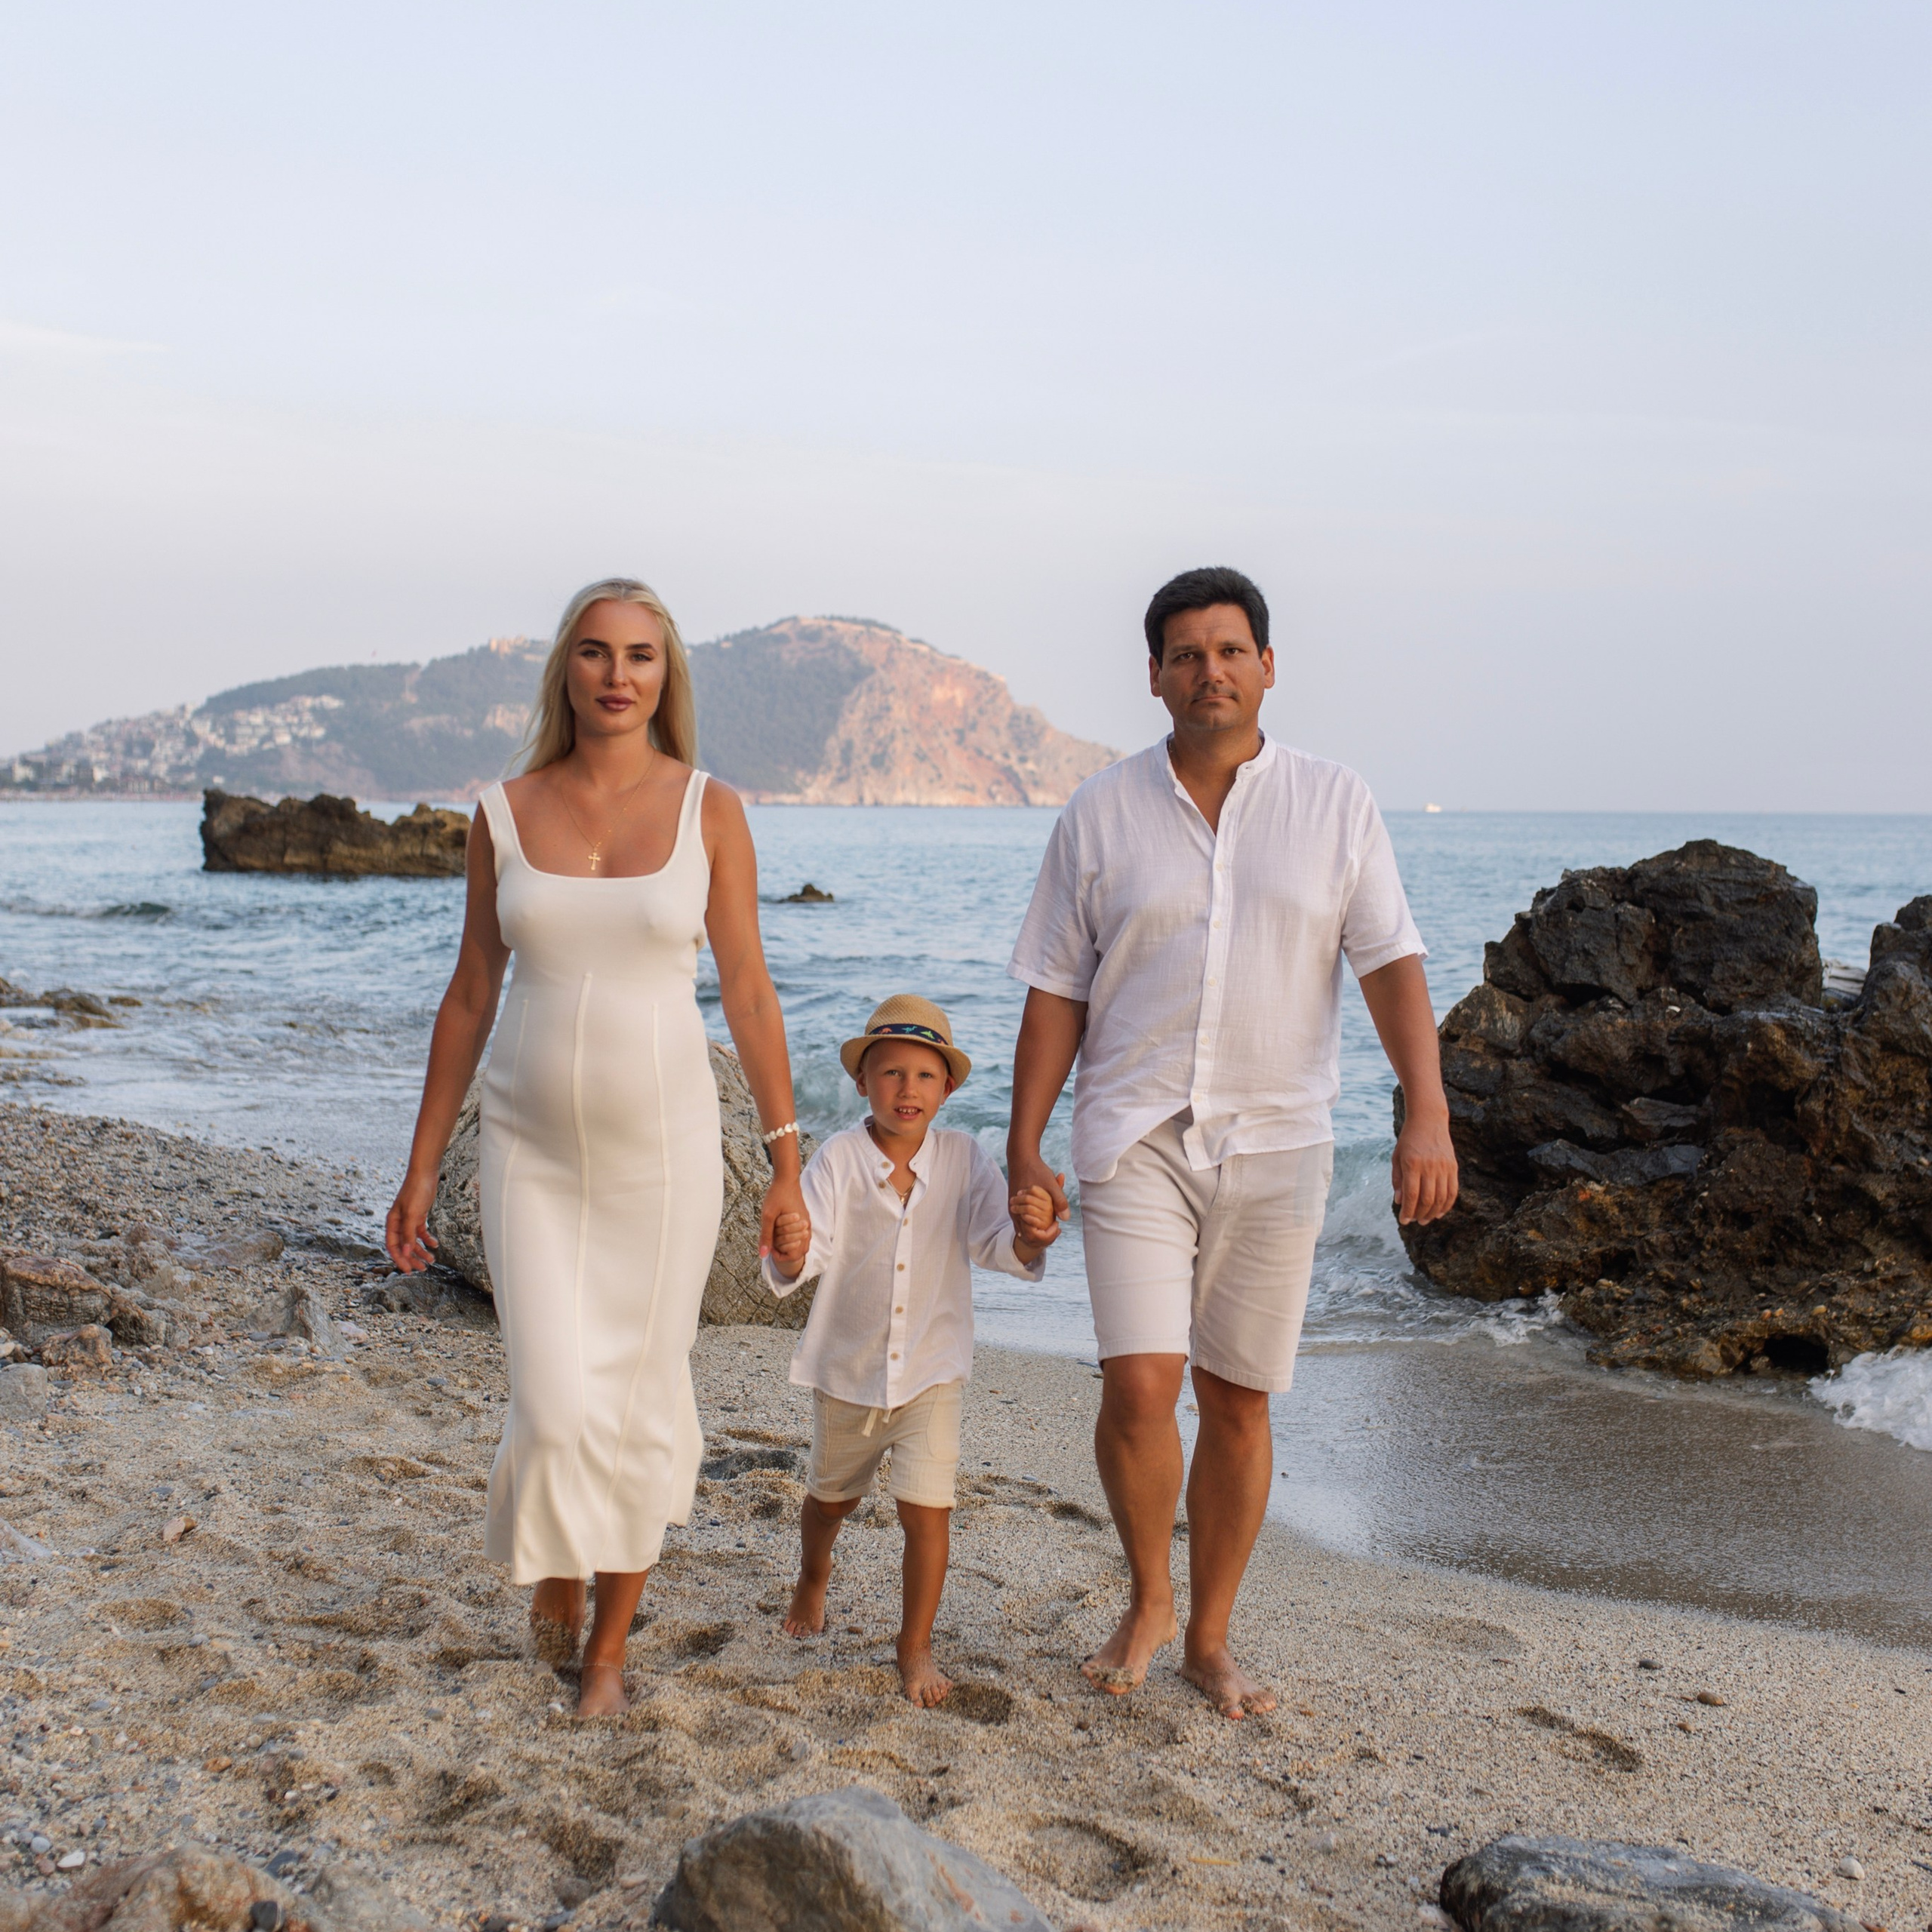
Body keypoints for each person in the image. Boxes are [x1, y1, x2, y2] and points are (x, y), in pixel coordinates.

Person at [1005, 565, 1458, 1721]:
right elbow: (1056, 992)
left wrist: (1428, 1108)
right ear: (1154, 677)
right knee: (1141, 1386)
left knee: (1240, 1397)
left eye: (1231, 650)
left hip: (1278, 1138)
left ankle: (1210, 1634)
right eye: (1187, 654)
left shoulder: (1336, 803)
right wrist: (1024, 1145)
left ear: (1267, 666)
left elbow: (1389, 963)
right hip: (1134, 1130)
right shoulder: (1098, 814)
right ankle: (1150, 1595)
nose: (1211, 670)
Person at [384, 575, 806, 1718]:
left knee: (639, 1396)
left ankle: (609, 1654)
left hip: (665, 1153)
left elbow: (753, 994)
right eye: (595, 653)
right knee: (554, 1395)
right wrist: (423, 1166)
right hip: (526, 1146)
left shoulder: (710, 808)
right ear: (563, 671)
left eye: (641, 657)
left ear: (666, 679)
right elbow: (470, 993)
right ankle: (557, 1559)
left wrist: (786, 1158)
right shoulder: (503, 813)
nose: (618, 675)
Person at [764, 995, 1061, 1706]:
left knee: (927, 1511)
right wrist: (792, 1248)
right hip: (848, 1370)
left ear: (949, 1089)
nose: (908, 1089)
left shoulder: (964, 1160)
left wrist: (1031, 1231)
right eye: (891, 1073)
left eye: (925, 1076)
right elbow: (810, 1248)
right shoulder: (837, 1159)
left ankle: (915, 1643)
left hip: (931, 1373)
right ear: (864, 1083)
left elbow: (998, 1243)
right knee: (830, 1500)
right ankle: (814, 1572)